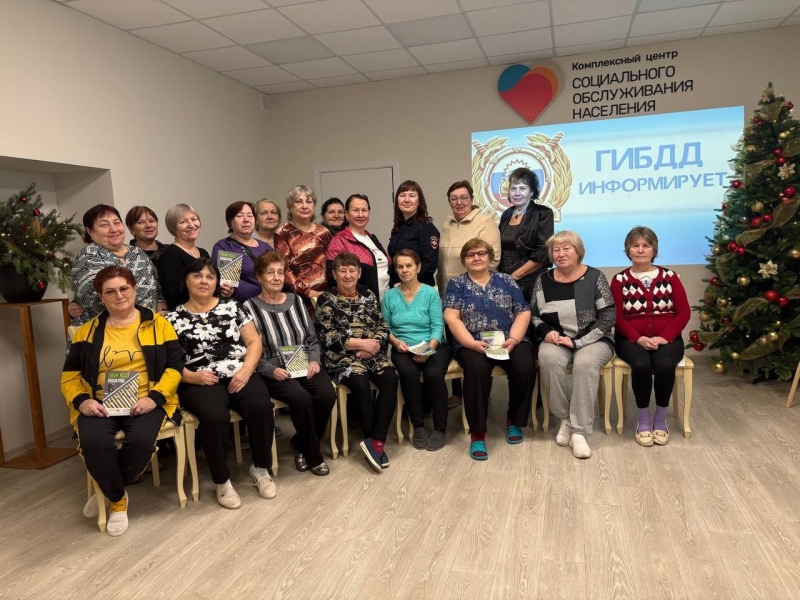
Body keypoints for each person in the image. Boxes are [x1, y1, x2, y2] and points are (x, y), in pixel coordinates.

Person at [61, 266, 182, 537]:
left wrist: (154, 398)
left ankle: (108, 490)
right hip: (100, 403)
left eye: (124, 288)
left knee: (140, 443)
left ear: (134, 289)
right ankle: (117, 498)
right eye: (110, 291)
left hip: (146, 400)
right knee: (93, 443)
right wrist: (82, 401)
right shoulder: (86, 332)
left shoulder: (159, 325)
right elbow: (70, 375)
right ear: (100, 297)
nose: (119, 295)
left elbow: (174, 367)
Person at [167, 258, 276, 509]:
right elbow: (170, 362)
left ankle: (260, 468)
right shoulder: (172, 318)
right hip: (199, 379)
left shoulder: (233, 306)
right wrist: (191, 377)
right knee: (215, 416)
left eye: (210, 276)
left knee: (260, 406)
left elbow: (254, 342)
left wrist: (246, 371)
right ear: (186, 281)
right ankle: (222, 481)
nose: (204, 281)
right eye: (197, 276)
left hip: (240, 371)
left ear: (217, 282)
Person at [245, 251, 336, 476]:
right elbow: (248, 350)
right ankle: (314, 456)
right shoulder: (248, 307)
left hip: (304, 362)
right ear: (258, 276)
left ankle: (300, 444)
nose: (276, 277)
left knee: (326, 395)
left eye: (280, 272)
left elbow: (312, 339)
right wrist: (270, 370)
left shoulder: (296, 301)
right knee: (301, 398)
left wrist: (314, 361)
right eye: (270, 273)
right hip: (274, 369)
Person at [443, 239, 535, 461]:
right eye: (470, 254)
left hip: (508, 339)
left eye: (481, 253)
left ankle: (514, 420)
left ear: (490, 256)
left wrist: (514, 339)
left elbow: (523, 311)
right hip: (471, 342)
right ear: (464, 259)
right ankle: (478, 433)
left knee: (525, 366)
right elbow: (451, 317)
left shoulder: (506, 280)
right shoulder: (457, 284)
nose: (476, 258)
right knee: (476, 370)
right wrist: (470, 343)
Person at [531, 231, 615, 460]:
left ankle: (579, 431)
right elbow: (535, 315)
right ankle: (565, 419)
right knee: (548, 359)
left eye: (567, 248)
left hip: (594, 339)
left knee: (585, 364)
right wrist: (546, 332)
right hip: (557, 339)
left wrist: (577, 341)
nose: (561, 254)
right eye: (556, 250)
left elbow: (608, 316)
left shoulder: (595, 277)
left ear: (578, 252)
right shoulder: (543, 280)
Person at [315, 253, 398, 473]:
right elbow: (326, 336)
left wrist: (373, 345)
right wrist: (360, 344)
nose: (348, 275)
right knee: (360, 383)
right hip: (341, 358)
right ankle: (373, 441)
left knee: (390, 378)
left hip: (372, 353)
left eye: (352, 270)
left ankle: (376, 441)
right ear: (334, 274)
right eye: (342, 270)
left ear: (359, 273)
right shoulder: (326, 299)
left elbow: (383, 326)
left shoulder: (369, 295)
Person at [611, 226, 690, 447]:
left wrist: (665, 337)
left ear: (654, 250)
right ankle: (644, 419)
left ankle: (660, 418)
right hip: (630, 339)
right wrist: (637, 338)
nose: (640, 250)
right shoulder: (619, 280)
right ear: (627, 250)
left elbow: (683, 312)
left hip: (667, 339)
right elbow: (617, 316)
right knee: (641, 364)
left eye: (646, 245)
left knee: (664, 364)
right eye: (635, 246)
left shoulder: (670, 277)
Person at [437, 179, 502, 409]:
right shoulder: (446, 225)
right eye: (454, 198)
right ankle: (458, 393)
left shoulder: (485, 223)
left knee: (478, 345)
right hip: (448, 295)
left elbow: (492, 259)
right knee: (457, 345)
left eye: (464, 197)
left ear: (472, 199)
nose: (459, 202)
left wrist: (472, 287)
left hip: (474, 295)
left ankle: (482, 392)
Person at [382, 250, 449, 451]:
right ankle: (418, 425)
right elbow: (385, 327)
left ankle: (440, 428)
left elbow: (437, 325)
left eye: (409, 265)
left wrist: (429, 349)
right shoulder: (390, 296)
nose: (404, 270)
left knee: (433, 374)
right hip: (403, 347)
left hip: (433, 344)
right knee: (409, 374)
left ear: (418, 267)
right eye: (400, 266)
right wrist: (395, 342)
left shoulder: (430, 293)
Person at [69, 204, 165, 327]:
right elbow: (96, 303)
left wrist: (161, 309)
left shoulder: (137, 252)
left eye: (117, 222)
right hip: (105, 331)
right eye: (104, 225)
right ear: (90, 231)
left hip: (147, 327)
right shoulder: (87, 258)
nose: (114, 229)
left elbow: (158, 286)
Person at [498, 167, 554, 302]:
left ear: (532, 191)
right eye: (513, 189)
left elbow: (543, 253)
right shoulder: (506, 214)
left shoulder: (543, 213)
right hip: (506, 280)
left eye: (522, 188)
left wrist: (515, 276)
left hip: (532, 281)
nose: (517, 193)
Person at [274, 185, 332, 311]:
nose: (305, 206)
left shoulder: (324, 232)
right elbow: (284, 269)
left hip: (326, 297)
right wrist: (309, 293)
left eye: (309, 202)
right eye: (299, 202)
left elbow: (332, 265)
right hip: (298, 300)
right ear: (290, 207)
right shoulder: (282, 233)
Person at [325, 194, 391, 302]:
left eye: (364, 210)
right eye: (355, 210)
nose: (360, 215)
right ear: (347, 214)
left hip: (386, 303)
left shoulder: (373, 238)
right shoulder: (340, 241)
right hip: (361, 305)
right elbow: (333, 277)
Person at [212, 201, 272, 302]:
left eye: (250, 216)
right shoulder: (226, 246)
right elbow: (232, 285)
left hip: (271, 301)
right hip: (243, 304)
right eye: (239, 216)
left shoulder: (265, 247)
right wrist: (262, 296)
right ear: (230, 223)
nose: (246, 220)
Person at [387, 180, 439, 288]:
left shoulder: (427, 228)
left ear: (419, 201)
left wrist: (406, 283)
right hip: (398, 288)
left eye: (412, 196)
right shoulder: (398, 228)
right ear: (397, 200)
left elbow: (429, 265)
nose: (407, 200)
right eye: (402, 195)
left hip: (419, 289)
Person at [157, 203, 210, 310]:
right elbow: (174, 297)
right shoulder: (170, 254)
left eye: (194, 219)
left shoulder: (203, 253)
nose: (191, 225)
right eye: (183, 222)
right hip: (186, 313)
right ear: (173, 228)